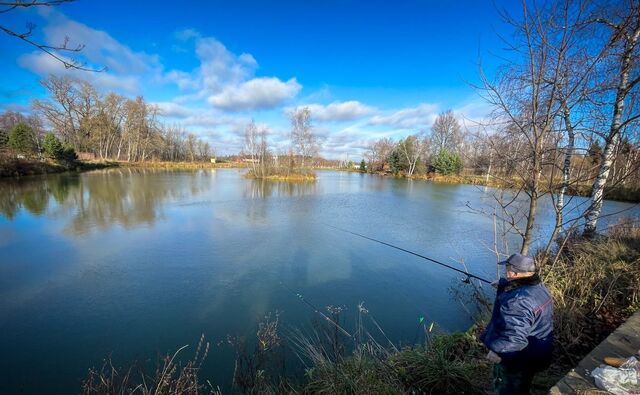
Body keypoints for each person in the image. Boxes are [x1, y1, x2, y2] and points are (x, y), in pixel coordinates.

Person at [480, 253, 554, 395]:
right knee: (522, 385)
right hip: (537, 352)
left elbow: (515, 338)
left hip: (519, 358)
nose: (505, 271)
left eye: (507, 268)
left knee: (508, 387)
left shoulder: (518, 301)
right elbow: (524, 295)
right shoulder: (539, 288)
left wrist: (497, 351)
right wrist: (504, 284)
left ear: (513, 272)